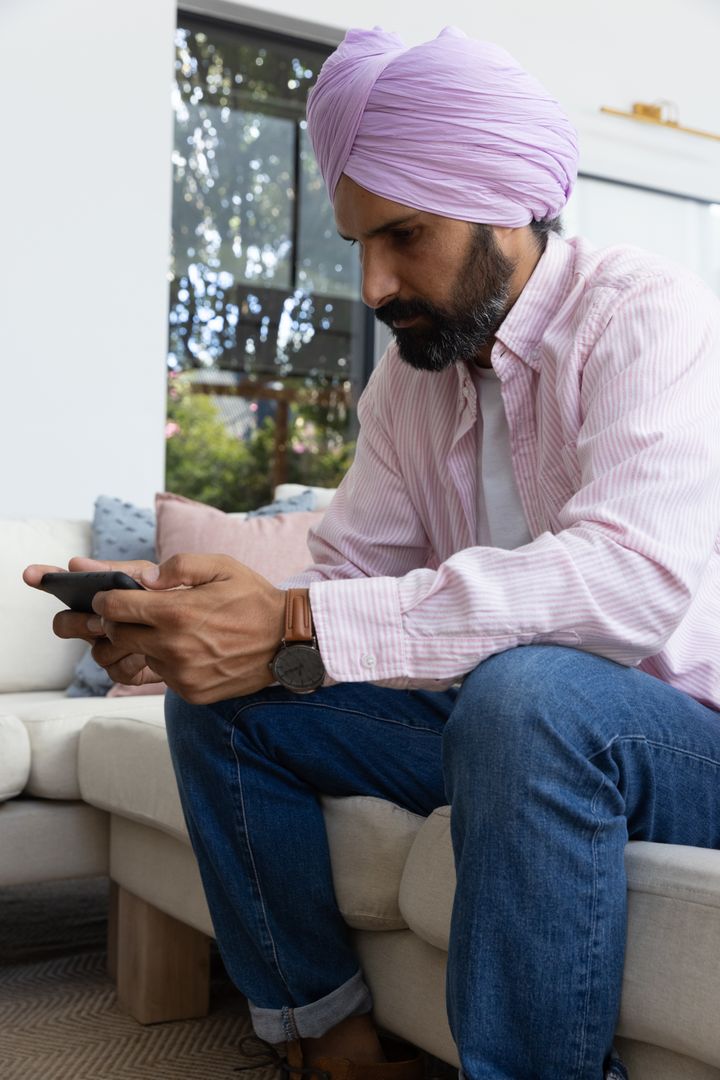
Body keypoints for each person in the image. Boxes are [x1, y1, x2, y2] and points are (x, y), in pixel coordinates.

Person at [25, 26, 720, 1080]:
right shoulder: (411, 381)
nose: (374, 283)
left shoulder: (648, 317)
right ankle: (328, 1041)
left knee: (528, 694)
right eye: (358, 243)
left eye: (404, 236)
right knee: (228, 700)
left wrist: (297, 623)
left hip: (678, 741)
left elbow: (628, 585)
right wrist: (190, 623)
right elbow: (350, 576)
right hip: (497, 722)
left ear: (505, 205)